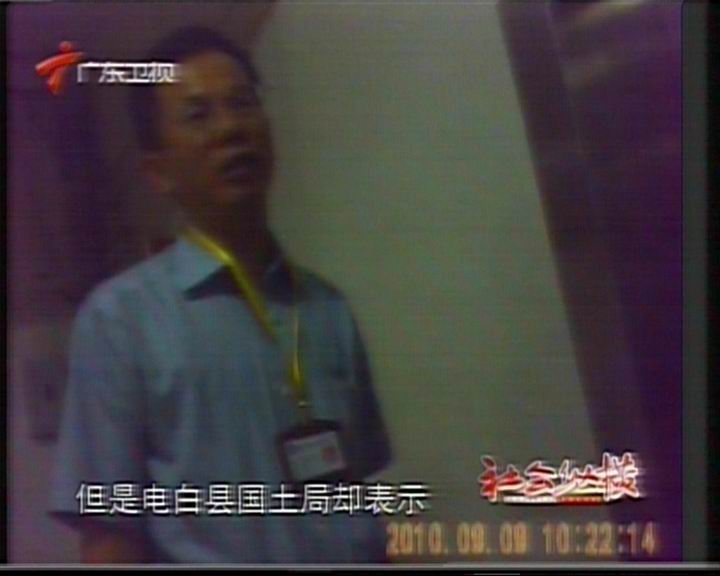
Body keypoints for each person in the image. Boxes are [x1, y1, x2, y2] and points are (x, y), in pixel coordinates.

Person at [50, 26, 392, 564]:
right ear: (158, 172)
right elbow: (110, 537)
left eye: (242, 103)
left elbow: (360, 490)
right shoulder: (119, 321)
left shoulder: (328, 308)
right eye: (199, 115)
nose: (231, 128)